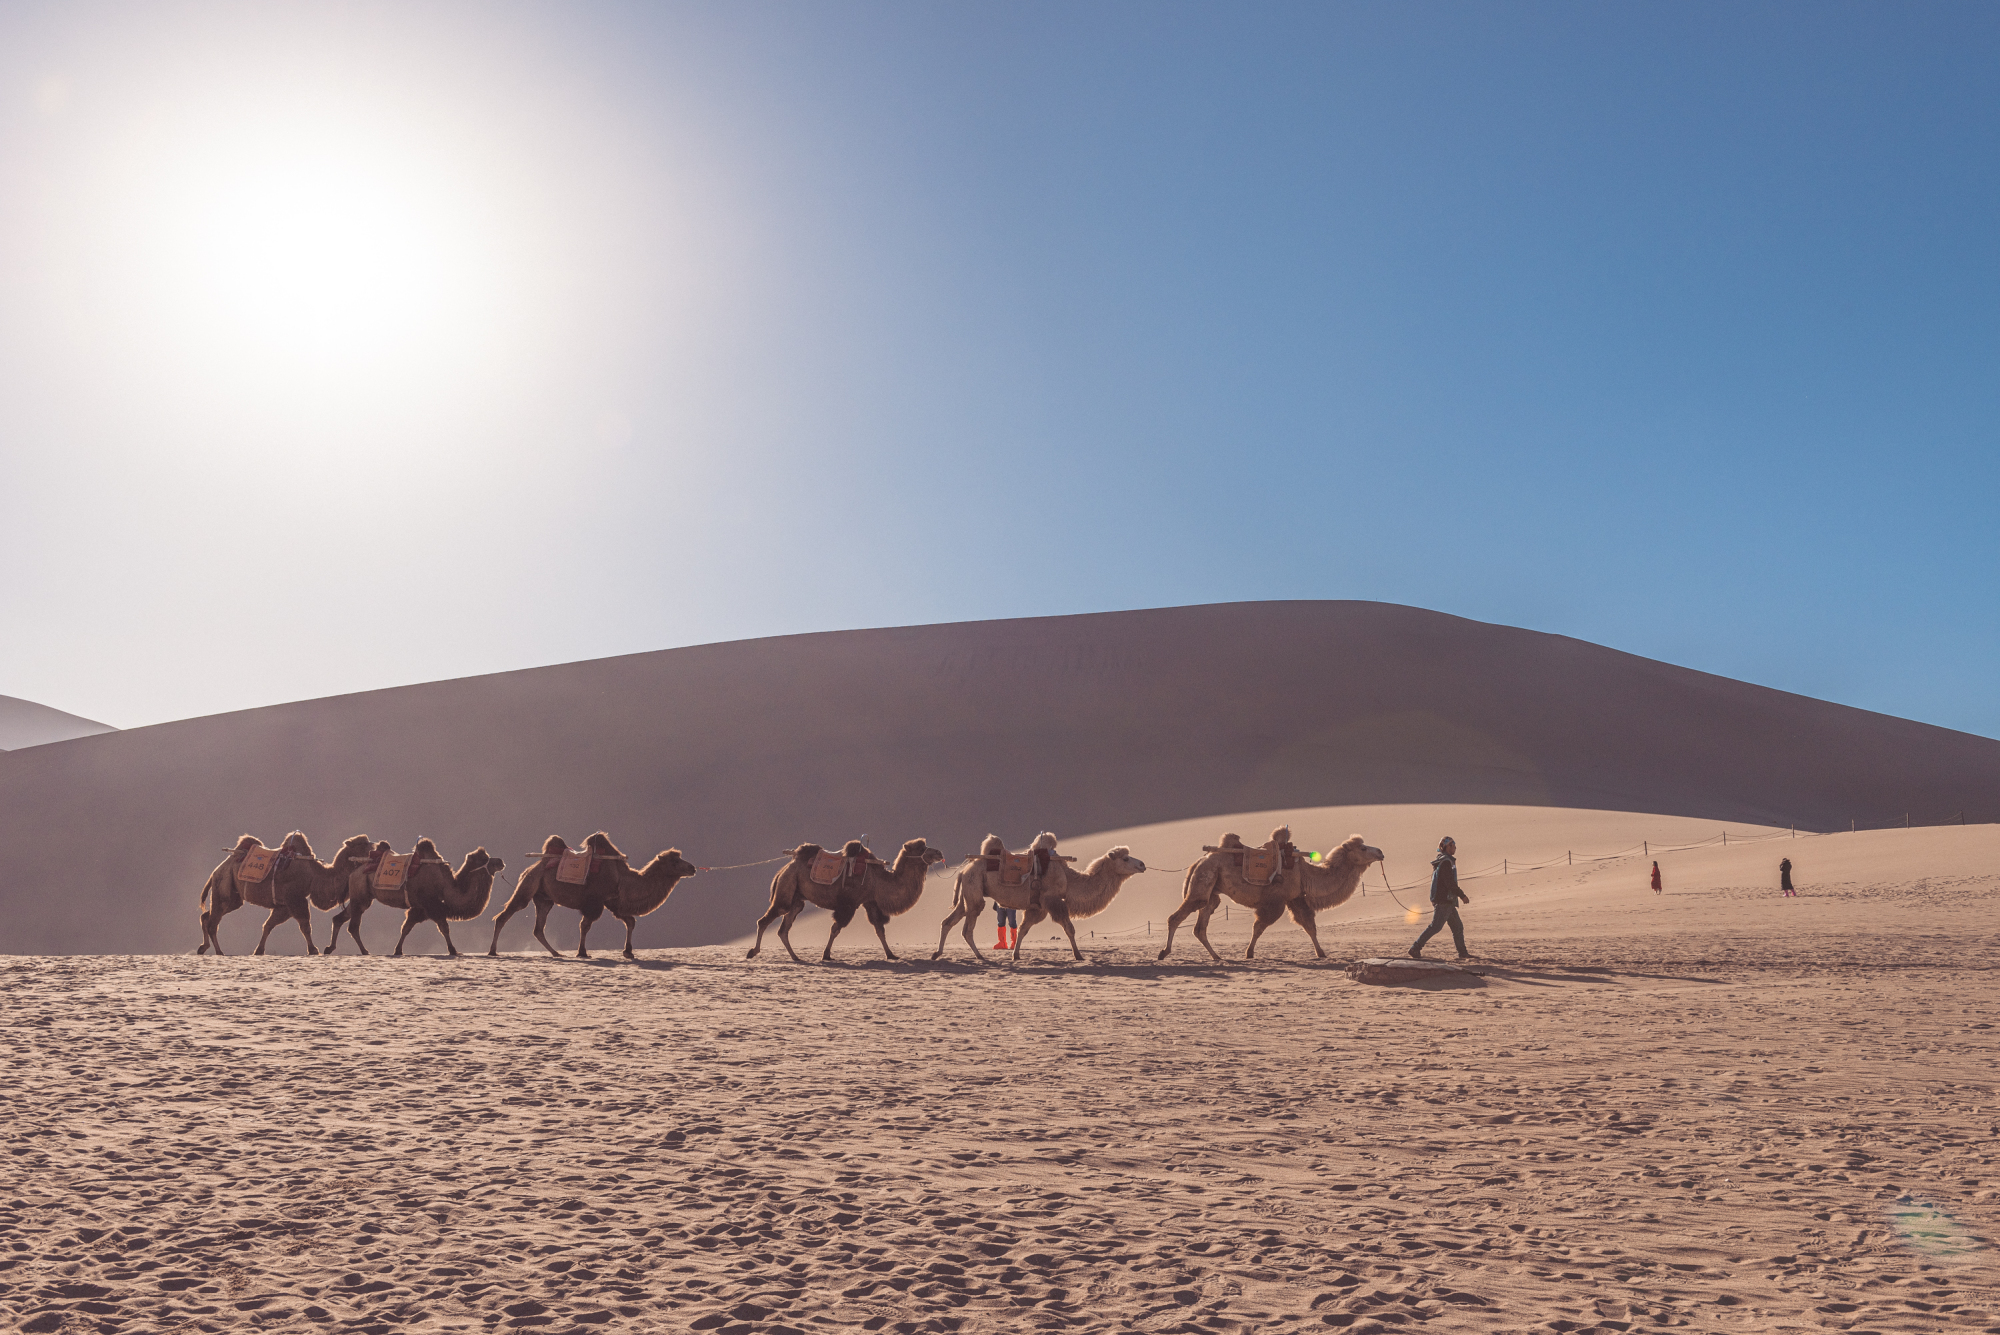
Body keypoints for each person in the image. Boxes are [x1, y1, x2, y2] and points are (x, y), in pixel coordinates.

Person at [1408, 836, 1470, 960]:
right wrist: (1462, 895)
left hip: (1447, 901)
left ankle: (1463, 953)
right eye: (1453, 845)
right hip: (1444, 900)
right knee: (1435, 926)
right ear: (1448, 847)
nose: (1455, 847)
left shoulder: (1443, 860)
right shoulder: (1446, 862)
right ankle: (1415, 948)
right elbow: (1449, 883)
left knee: (1457, 927)